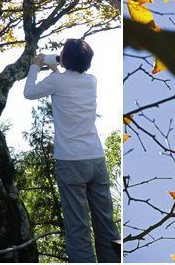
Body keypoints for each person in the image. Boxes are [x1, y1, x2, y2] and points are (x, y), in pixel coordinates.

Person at [24, 38, 119, 263]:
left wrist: (35, 66)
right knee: (106, 222)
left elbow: (29, 93)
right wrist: (58, 68)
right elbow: (68, 82)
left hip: (71, 162)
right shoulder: (91, 81)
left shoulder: (57, 81)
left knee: (78, 227)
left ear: (66, 58)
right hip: (96, 158)